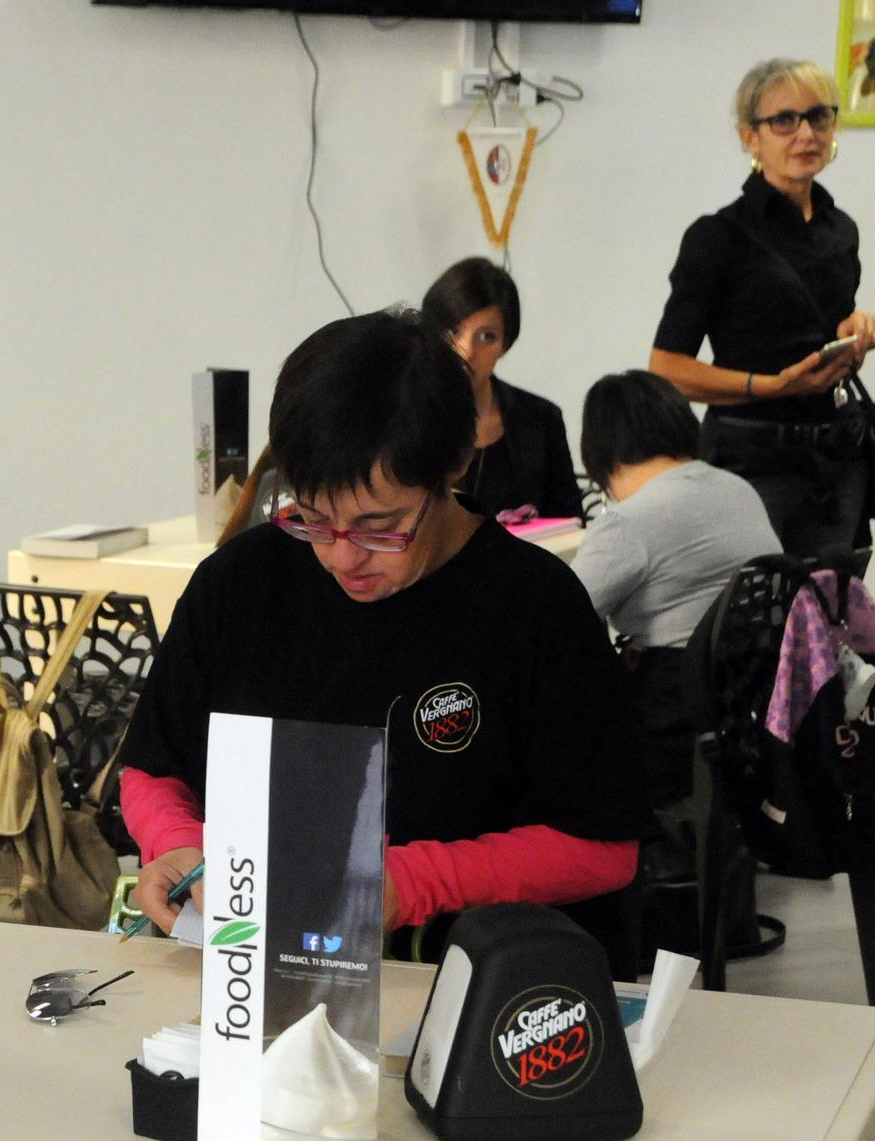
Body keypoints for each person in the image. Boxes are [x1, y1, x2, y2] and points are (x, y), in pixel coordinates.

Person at [119, 309, 650, 976]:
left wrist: (406, 883)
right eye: (314, 519)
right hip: (261, 974)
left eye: (380, 526)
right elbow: (153, 764)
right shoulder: (241, 583)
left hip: (475, 984)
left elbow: (604, 848)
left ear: (455, 464)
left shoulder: (532, 605)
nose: (343, 557)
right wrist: (175, 843)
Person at [649, 58, 875, 555]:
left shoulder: (841, 230)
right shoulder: (717, 236)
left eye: (819, 116)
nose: (806, 133)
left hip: (837, 457)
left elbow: (819, 332)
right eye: (785, 120)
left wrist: (854, 333)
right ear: (751, 137)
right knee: (756, 601)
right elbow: (667, 369)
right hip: (752, 462)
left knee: (833, 600)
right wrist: (773, 386)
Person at [573, 370, 779, 805]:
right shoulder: (738, 490)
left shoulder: (628, 521)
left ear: (603, 453)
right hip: (751, 712)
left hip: (671, 724)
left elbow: (557, 618)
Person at [420, 256, 582, 520]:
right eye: (453, 332)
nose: (467, 351)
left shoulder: (541, 418)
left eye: (487, 337)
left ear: (505, 345)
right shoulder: (406, 417)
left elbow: (569, 521)